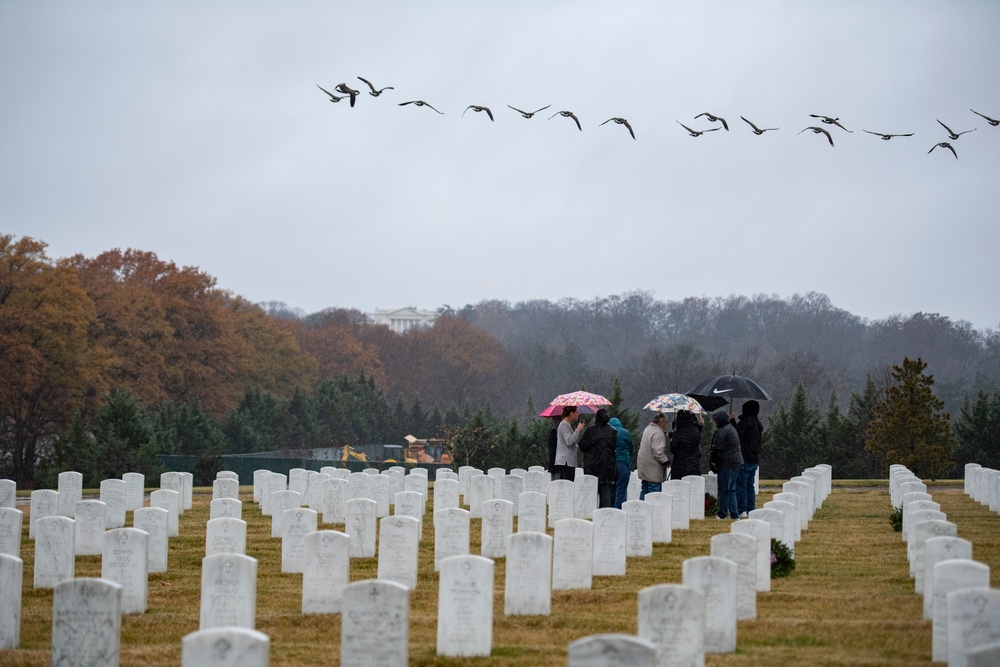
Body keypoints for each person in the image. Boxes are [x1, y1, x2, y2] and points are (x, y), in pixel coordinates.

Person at [578, 408, 618, 508]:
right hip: (607, 469)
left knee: (590, 498)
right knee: (605, 498)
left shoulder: (591, 431)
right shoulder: (613, 431)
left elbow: (582, 446)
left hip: (592, 468)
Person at [710, 409, 743, 519]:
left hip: (726, 463)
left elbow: (718, 449)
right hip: (736, 462)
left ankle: (722, 514)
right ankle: (734, 513)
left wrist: (714, 462)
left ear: (719, 421)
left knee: (723, 489)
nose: (714, 423)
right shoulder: (731, 428)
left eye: (715, 421)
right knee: (731, 489)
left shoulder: (722, 431)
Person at [734, 400, 764, 518]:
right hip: (754, 457)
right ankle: (751, 509)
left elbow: (737, 436)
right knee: (749, 485)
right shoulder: (758, 424)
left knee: (741, 484)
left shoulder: (745, 423)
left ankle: (742, 509)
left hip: (744, 457)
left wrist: (732, 421)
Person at [637, 412, 669, 500]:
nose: (666, 424)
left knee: (644, 490)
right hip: (653, 468)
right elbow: (658, 452)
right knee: (654, 493)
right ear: (660, 422)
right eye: (665, 422)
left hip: (644, 466)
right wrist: (666, 461)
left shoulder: (648, 428)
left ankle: (642, 510)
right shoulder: (658, 432)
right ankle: (654, 512)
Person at [552, 405, 584, 480]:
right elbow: (569, 441)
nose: (578, 414)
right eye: (576, 412)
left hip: (568, 461)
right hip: (565, 462)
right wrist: (578, 430)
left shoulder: (568, 425)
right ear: (571, 413)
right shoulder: (564, 424)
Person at [669, 410, 702, 479]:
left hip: (680, 464)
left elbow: (673, 449)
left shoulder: (677, 433)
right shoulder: (696, 431)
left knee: (680, 486)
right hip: (694, 464)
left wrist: (672, 438)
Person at [608, 416, 633, 509]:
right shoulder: (626, 433)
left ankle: (611, 509)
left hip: (611, 463)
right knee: (621, 489)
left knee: (611, 489)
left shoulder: (609, 432)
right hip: (623, 461)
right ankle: (619, 509)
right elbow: (630, 448)